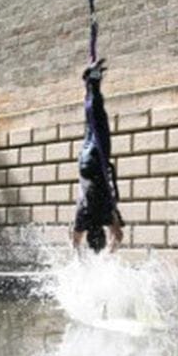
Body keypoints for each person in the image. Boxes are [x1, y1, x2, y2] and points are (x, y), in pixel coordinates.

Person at [73, 58, 125, 253]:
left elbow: (118, 236)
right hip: (84, 164)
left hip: (96, 162)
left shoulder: (104, 214)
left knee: (98, 121)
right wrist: (79, 258)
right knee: (91, 125)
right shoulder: (82, 216)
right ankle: (89, 81)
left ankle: (92, 79)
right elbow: (75, 240)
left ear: (103, 234)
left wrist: (109, 256)